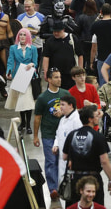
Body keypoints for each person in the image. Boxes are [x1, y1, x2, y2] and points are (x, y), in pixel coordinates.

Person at [62, 105, 111, 207]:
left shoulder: (72, 135)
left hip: (75, 178)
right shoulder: (98, 137)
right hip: (92, 179)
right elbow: (104, 161)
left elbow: (64, 157)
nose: (98, 117)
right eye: (96, 115)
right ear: (90, 119)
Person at [33, 68, 71, 200]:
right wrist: (36, 136)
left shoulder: (66, 94)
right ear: (48, 79)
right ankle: (53, 189)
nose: (59, 79)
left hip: (64, 135)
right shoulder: (42, 98)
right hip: (49, 134)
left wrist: (63, 112)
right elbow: (37, 118)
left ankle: (64, 186)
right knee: (51, 161)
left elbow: (73, 112)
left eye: (59, 77)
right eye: (55, 77)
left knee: (64, 161)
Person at [5, 28, 39, 134]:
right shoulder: (13, 48)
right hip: (18, 76)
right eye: (20, 34)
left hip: (29, 76)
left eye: (24, 35)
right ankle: (23, 122)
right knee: (21, 102)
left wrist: (32, 64)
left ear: (28, 36)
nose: (22, 37)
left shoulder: (33, 48)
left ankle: (28, 124)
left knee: (27, 102)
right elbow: (10, 61)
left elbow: (36, 62)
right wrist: (8, 71)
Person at [42, 19, 83, 90]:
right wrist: (45, 72)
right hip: (55, 73)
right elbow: (46, 57)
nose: (56, 33)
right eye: (54, 31)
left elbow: (80, 55)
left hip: (70, 73)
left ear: (63, 30)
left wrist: (80, 70)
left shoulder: (72, 38)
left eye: (58, 31)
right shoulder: (50, 41)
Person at [53, 94, 82, 187]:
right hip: (62, 157)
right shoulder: (62, 119)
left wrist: (73, 159)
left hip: (72, 160)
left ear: (71, 105)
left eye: (63, 105)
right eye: (60, 104)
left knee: (71, 186)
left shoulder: (77, 121)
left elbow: (79, 142)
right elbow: (58, 134)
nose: (60, 107)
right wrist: (56, 144)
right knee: (63, 184)